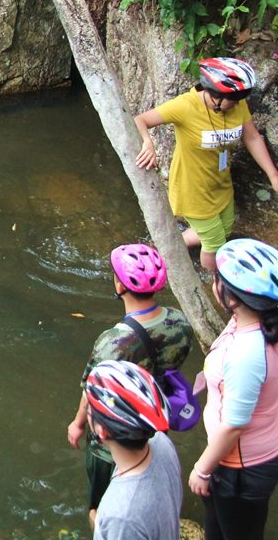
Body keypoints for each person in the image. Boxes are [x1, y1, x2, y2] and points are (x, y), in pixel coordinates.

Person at [65, 243, 192, 529]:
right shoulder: (180, 322)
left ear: (120, 285)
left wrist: (78, 424)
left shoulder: (114, 342)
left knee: (101, 509)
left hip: (113, 441)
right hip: (155, 420)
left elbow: (92, 388)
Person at [134, 57, 278, 273]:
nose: (237, 105)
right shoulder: (185, 106)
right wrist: (148, 142)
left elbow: (253, 138)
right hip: (192, 190)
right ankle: (217, 284)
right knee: (215, 243)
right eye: (232, 100)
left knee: (225, 227)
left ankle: (166, 245)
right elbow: (140, 120)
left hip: (220, 183)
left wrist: (273, 175)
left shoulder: (236, 106)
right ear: (213, 94)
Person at [189, 238, 278, 540]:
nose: (213, 282)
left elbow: (234, 425)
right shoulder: (258, 322)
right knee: (221, 528)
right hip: (250, 454)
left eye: (217, 278)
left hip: (240, 467)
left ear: (233, 297)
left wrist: (201, 469)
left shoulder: (247, 354)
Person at [85, 360, 181, 540]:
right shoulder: (161, 443)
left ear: (102, 431)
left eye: (90, 407)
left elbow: (127, 517)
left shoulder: (120, 517)